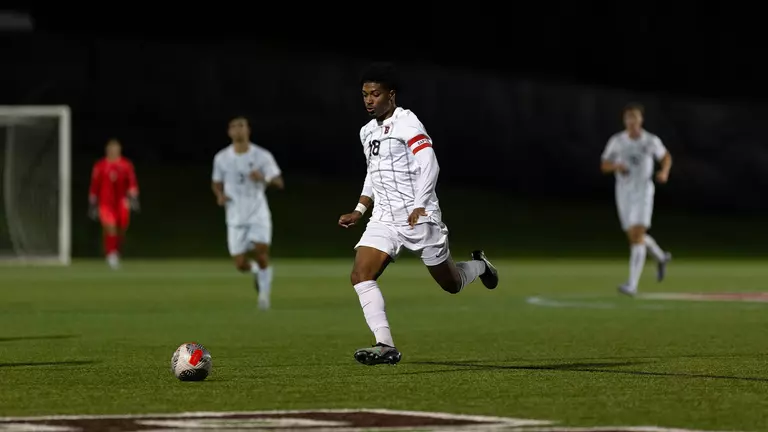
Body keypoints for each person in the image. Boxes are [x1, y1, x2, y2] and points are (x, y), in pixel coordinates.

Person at [338, 63, 499, 366]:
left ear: (391, 95)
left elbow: (430, 164)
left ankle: (479, 266)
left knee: (451, 284)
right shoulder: (367, 132)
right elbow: (373, 174)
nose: (369, 100)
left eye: (375, 94)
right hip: (384, 219)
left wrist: (421, 204)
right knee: (360, 274)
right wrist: (360, 209)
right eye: (365, 95)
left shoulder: (407, 123)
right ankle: (385, 345)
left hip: (419, 217)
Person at [212, 116, 284, 310]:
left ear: (248, 130)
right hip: (235, 216)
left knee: (261, 253)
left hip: (257, 213)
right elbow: (216, 182)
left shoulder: (262, 156)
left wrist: (264, 178)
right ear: (229, 132)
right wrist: (219, 195)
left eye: (241, 126)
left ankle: (264, 296)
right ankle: (255, 271)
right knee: (240, 263)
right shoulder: (221, 158)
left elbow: (279, 182)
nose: (238, 130)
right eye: (234, 126)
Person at [601, 103, 673, 296]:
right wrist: (616, 166)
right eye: (628, 118)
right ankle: (660, 257)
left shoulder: (650, 140)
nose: (631, 121)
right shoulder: (617, 141)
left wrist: (664, 171)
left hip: (643, 191)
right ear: (625, 121)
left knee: (637, 233)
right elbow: (604, 164)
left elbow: (665, 157)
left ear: (641, 120)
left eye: (635, 117)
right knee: (634, 237)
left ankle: (632, 285)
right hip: (623, 193)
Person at [88, 138, 140, 269]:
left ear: (119, 150)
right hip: (106, 202)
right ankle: (111, 255)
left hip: (122, 202)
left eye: (115, 149)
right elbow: (95, 185)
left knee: (121, 229)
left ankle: (116, 252)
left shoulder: (126, 165)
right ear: (107, 150)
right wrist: (93, 203)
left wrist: (133, 198)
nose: (113, 151)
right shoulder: (100, 166)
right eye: (110, 149)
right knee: (110, 226)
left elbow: (132, 183)